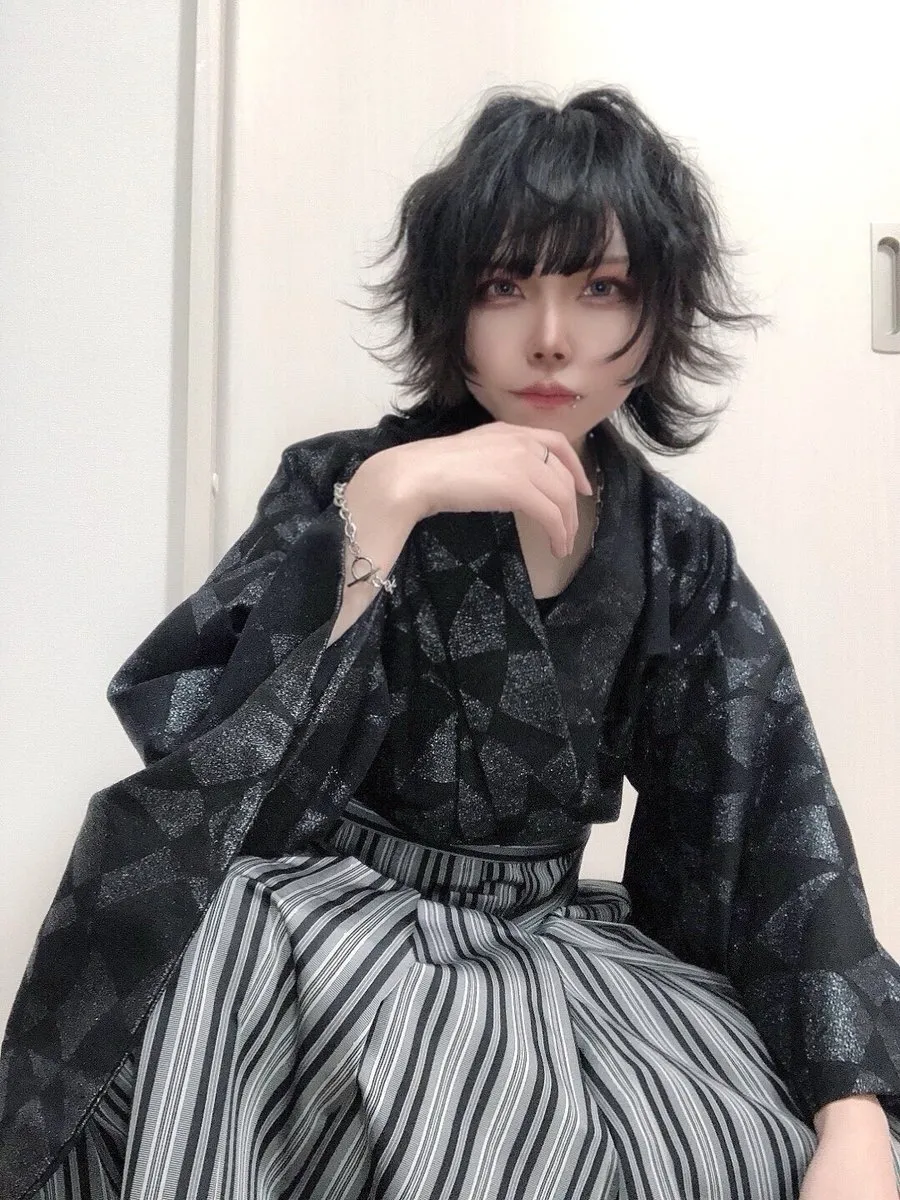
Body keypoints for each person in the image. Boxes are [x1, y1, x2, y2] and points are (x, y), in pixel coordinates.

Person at [1, 83, 899, 1200]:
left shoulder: (676, 550)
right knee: (232, 948)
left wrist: (853, 1113)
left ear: (661, 311)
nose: (551, 337)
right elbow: (225, 789)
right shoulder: (341, 481)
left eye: (602, 287)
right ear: (448, 302)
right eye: (503, 286)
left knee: (737, 1145)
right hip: (325, 935)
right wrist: (384, 506)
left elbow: (771, 826)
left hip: (546, 951)